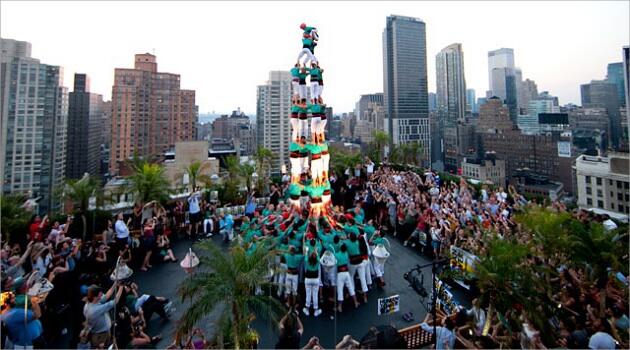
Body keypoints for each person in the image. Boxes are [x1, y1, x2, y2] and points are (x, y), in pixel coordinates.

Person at [83, 283, 124, 349]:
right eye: (100, 294)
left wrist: (115, 283)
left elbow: (107, 296)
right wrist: (121, 287)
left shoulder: (89, 303)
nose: (102, 294)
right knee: (106, 346)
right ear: (95, 297)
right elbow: (115, 301)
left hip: (97, 330)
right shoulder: (97, 309)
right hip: (102, 335)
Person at [335, 244, 359, 312]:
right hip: (346, 273)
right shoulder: (346, 253)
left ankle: (340, 307)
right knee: (351, 288)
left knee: (340, 290)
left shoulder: (337, 254)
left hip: (340, 273)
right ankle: (355, 302)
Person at [303, 251, 322, 317]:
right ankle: (316, 311)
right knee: (315, 295)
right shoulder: (318, 260)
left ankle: (307, 310)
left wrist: (308, 251)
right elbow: (318, 256)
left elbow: (305, 254)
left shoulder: (306, 260)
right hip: (315, 280)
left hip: (308, 279)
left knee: (308, 295)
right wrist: (316, 252)